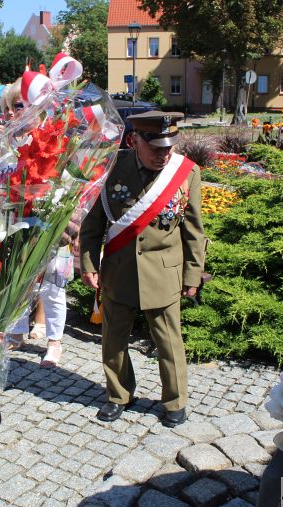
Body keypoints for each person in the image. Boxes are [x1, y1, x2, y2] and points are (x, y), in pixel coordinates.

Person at [79, 110, 205, 427]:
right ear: (136, 140)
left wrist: (192, 274)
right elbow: (93, 223)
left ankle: (175, 400)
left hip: (164, 270)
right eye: (156, 148)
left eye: (169, 147)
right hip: (119, 268)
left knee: (168, 341)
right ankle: (119, 394)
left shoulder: (186, 173)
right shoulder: (111, 168)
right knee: (114, 339)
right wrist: (89, 262)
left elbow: (193, 230)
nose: (164, 155)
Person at [0, 77, 73, 367]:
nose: (19, 111)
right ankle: (16, 331)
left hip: (49, 223)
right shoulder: (7, 142)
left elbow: (70, 182)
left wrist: (58, 213)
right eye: (14, 106)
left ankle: (55, 342)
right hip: (16, 221)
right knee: (16, 277)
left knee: (53, 284)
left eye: (25, 104)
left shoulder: (55, 136)